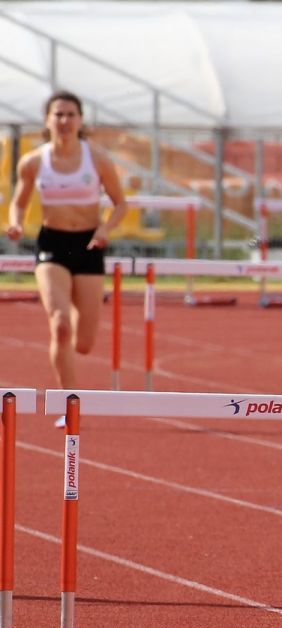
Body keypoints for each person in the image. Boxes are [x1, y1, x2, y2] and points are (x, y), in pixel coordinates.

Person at [6, 91, 126, 426]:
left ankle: (77, 310)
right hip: (52, 246)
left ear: (80, 120)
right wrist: (15, 223)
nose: (64, 121)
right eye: (58, 114)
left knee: (84, 343)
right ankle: (69, 404)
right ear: (47, 120)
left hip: (88, 245)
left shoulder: (97, 158)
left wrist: (105, 229)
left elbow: (121, 204)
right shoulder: (34, 161)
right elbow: (19, 202)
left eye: (71, 114)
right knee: (59, 325)